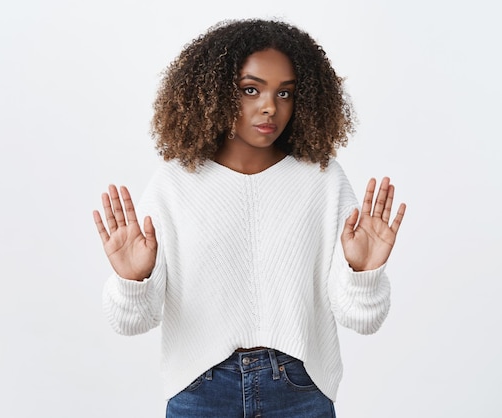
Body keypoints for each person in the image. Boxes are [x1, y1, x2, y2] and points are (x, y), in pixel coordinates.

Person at [93, 18, 406, 417]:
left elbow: (361, 319)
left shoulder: (321, 181)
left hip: (300, 389)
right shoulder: (173, 185)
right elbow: (133, 321)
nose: (270, 106)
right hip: (200, 390)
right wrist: (132, 280)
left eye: (286, 92)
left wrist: (363, 273)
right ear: (214, 91)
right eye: (251, 89)